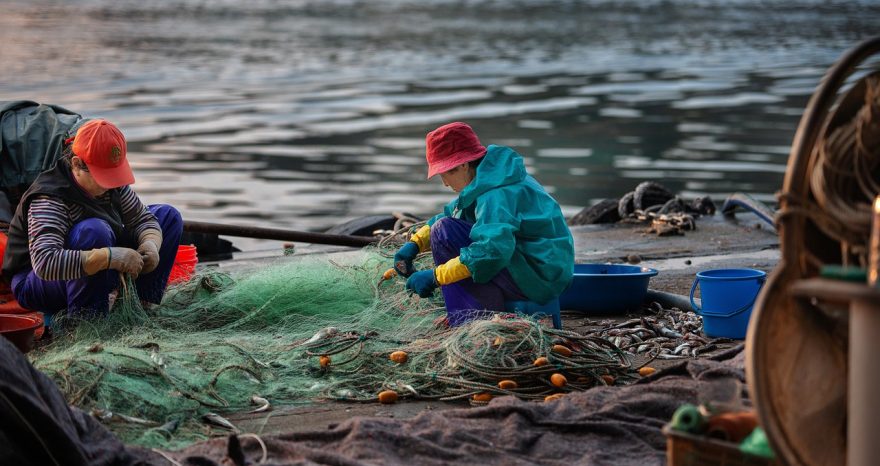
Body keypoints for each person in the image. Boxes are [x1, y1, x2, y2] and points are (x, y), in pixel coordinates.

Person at [394, 122, 574, 326]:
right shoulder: (494, 176)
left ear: (463, 164)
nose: (444, 183)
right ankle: (472, 312)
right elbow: (454, 213)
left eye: (446, 174)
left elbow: (491, 252)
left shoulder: (496, 194)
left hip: (538, 277)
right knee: (445, 226)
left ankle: (473, 322)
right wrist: (415, 244)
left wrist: (436, 276)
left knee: (444, 232)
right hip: (541, 267)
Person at [1, 119, 183, 320]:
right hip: (37, 281)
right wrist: (110, 257)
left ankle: (139, 305)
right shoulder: (50, 198)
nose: (110, 185)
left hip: (95, 263)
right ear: (77, 164)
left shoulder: (114, 185)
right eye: (103, 177)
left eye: (114, 175)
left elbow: (143, 219)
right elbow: (45, 263)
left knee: (168, 216)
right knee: (94, 230)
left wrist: (151, 244)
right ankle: (88, 321)